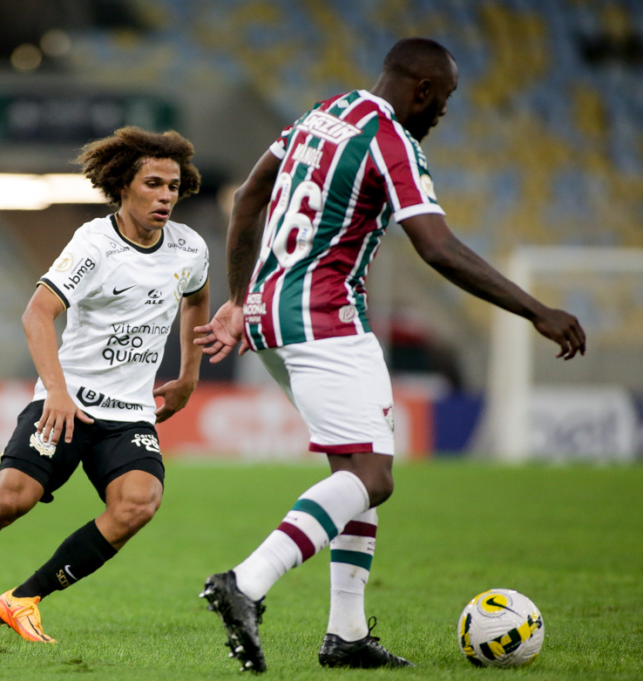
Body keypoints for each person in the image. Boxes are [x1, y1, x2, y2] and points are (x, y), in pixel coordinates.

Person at [195, 37, 586, 673]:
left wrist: (240, 299)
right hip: (326, 321)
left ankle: (345, 635)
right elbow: (438, 247)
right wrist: (536, 310)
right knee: (373, 479)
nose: (443, 114)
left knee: (355, 475)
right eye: (446, 100)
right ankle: (246, 582)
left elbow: (247, 198)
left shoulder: (320, 115)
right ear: (424, 91)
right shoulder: (393, 141)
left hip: (271, 317)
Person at [0, 126, 209, 643]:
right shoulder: (95, 245)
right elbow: (37, 314)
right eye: (153, 183)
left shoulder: (188, 247)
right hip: (67, 400)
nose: (166, 195)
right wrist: (56, 392)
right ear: (123, 185)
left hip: (130, 413)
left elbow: (196, 299)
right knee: (10, 500)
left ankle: (23, 598)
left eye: (173, 185)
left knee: (138, 504)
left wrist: (188, 375)